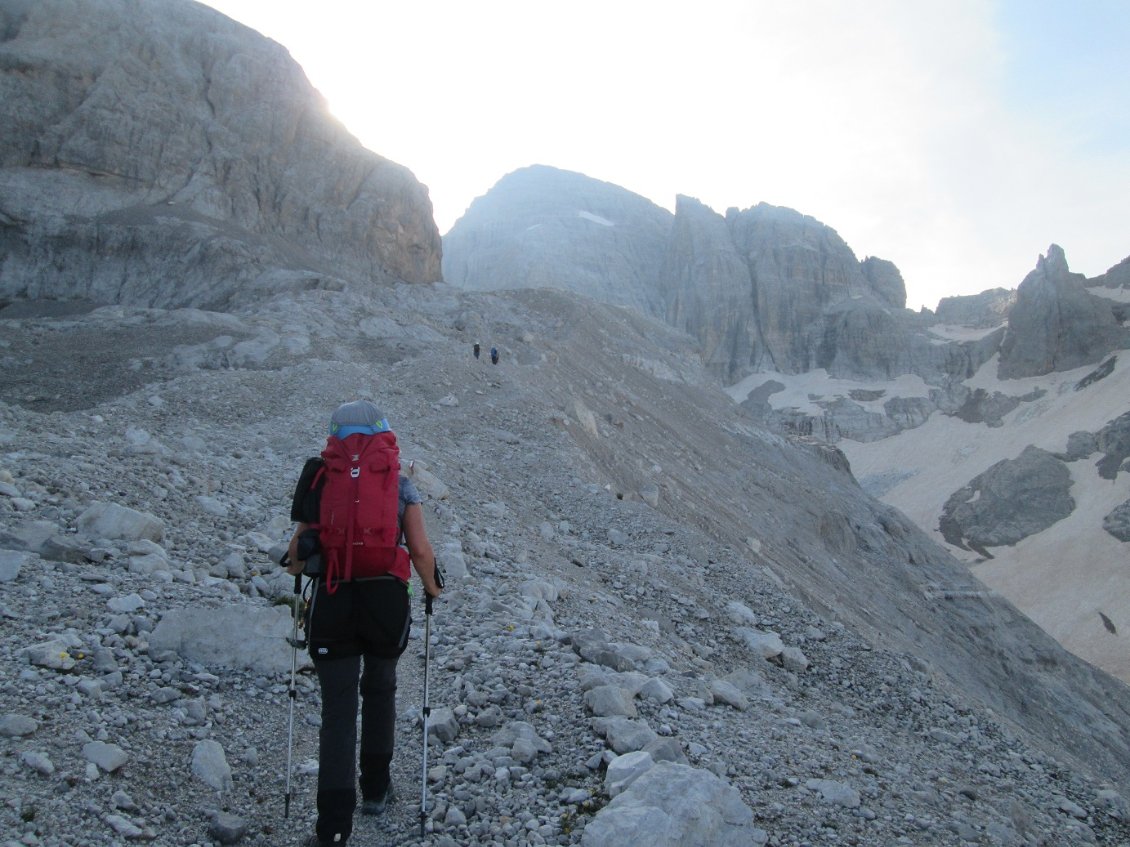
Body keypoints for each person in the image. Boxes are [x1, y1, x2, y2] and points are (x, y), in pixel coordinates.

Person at [286, 400, 442, 847]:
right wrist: (432, 589)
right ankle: (376, 789)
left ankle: (334, 826)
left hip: (334, 601)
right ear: (385, 439)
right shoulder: (399, 485)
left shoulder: (321, 478)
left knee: (337, 710)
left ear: (334, 439)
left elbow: (296, 561)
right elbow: (420, 551)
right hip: (385, 602)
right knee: (381, 686)